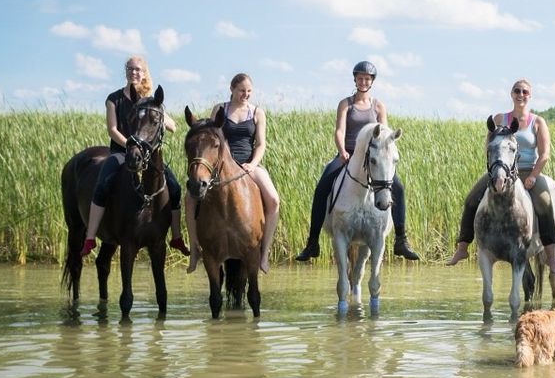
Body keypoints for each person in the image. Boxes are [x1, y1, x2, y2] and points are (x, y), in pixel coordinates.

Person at [294, 61, 420, 261]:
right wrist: (342, 151)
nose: (363, 81)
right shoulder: (346, 104)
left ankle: (401, 240)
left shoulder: (378, 106)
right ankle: (312, 243)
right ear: (355, 79)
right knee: (322, 187)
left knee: (398, 188)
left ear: (372, 82)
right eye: (360, 78)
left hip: (372, 158)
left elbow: (384, 135)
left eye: (367, 79)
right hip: (348, 155)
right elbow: (339, 130)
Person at [446, 78, 555, 274]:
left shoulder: (537, 122)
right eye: (517, 91)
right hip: (501, 170)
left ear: (529, 95)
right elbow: (488, 147)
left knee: (545, 202)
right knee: (472, 199)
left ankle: (550, 257)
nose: (521, 95)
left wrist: (533, 176)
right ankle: (462, 247)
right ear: (511, 94)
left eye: (525, 91)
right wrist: (494, 169)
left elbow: (544, 154)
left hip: (527, 170)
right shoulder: (500, 119)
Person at [80, 56, 190, 257]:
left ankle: (176, 236)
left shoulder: (149, 100)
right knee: (103, 184)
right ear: (126, 71)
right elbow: (112, 130)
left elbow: (173, 126)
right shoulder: (114, 99)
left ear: (144, 72)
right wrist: (131, 145)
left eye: (138, 69)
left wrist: (160, 118)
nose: (134, 72)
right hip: (121, 153)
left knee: (173, 186)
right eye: (130, 69)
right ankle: (90, 237)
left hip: (147, 156)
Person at [186, 73, 281, 274]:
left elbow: (261, 144)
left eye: (248, 91)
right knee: (189, 198)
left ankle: (263, 254)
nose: (245, 95)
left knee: (273, 200)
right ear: (232, 89)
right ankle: (195, 250)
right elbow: (210, 137)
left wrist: (253, 164)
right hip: (220, 167)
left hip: (248, 165)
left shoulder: (257, 112)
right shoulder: (220, 110)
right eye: (241, 91)